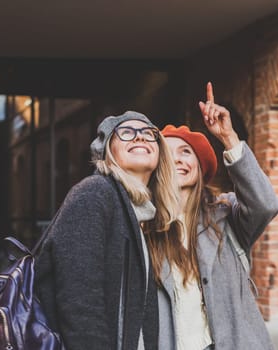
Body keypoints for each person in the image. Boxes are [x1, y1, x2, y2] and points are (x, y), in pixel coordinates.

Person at [146, 82, 278, 350]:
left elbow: (266, 204)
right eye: (167, 155)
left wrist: (229, 138)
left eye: (186, 152)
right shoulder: (143, 225)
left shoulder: (226, 214)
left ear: (200, 166)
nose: (178, 160)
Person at [34, 111, 181, 350]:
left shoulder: (138, 215)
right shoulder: (94, 193)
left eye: (148, 133)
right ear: (107, 150)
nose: (140, 137)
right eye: (127, 133)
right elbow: (80, 301)